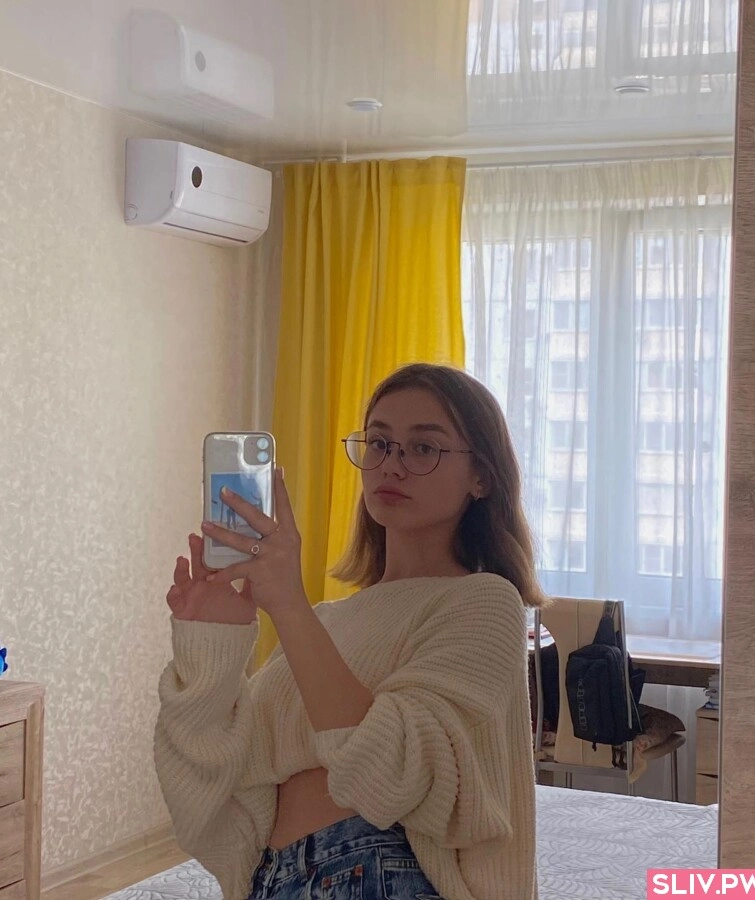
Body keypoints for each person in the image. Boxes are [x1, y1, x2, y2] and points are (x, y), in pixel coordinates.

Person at [154, 362, 547, 900]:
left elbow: (393, 774)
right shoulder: (327, 619)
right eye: (379, 443)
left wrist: (288, 605)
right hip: (271, 879)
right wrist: (211, 647)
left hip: (376, 870)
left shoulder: (483, 600)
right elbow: (216, 779)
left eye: (423, 448)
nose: (392, 465)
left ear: (482, 476)